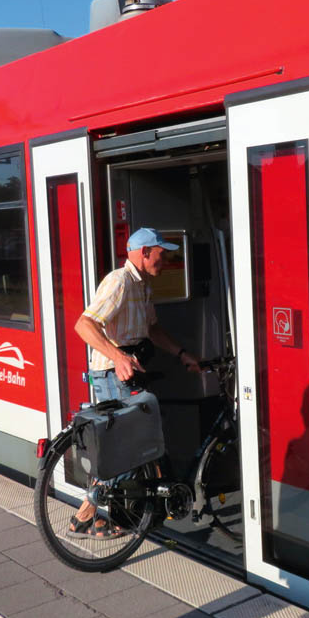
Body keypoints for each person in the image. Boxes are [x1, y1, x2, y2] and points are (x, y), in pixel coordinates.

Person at [67, 227, 200, 539]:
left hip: (129, 371)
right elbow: (84, 324)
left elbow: (153, 329)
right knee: (124, 447)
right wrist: (118, 357)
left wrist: (182, 354)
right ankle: (87, 514)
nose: (164, 260)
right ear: (144, 253)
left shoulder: (143, 287)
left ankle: (101, 517)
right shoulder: (119, 281)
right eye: (161, 254)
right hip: (113, 374)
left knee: (132, 444)